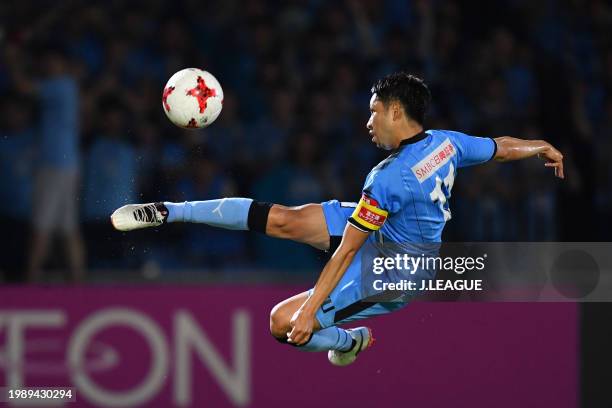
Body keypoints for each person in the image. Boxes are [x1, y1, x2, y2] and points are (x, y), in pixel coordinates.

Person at [111, 72, 564, 366]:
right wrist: (539, 146)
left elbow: (348, 249)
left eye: (372, 113)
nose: (368, 123)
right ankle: (169, 211)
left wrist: (310, 311)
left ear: (394, 111)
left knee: (282, 324)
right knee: (284, 219)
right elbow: (498, 146)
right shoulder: (446, 142)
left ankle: (349, 342)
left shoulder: (389, 177)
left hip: (395, 271)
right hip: (388, 229)